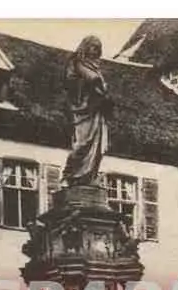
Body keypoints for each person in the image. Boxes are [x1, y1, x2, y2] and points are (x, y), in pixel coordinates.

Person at [61, 36, 113, 187]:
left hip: (96, 110)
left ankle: (89, 177)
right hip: (83, 109)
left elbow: (99, 85)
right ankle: (70, 175)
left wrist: (102, 92)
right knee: (82, 143)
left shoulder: (96, 68)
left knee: (97, 146)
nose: (95, 50)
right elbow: (84, 80)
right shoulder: (77, 63)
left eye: (97, 48)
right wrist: (94, 84)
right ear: (85, 47)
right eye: (92, 47)